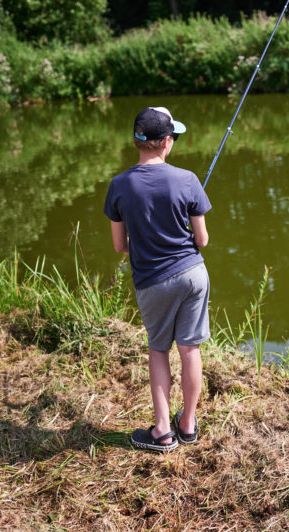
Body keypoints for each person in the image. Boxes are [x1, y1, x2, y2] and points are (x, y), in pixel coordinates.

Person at [103, 106, 211, 452]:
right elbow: (202, 239)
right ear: (165, 142)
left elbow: (120, 246)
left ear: (137, 140)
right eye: (173, 137)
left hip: (153, 280)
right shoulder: (188, 179)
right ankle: (188, 425)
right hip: (193, 274)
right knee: (190, 349)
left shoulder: (119, 186)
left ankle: (163, 432)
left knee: (159, 349)